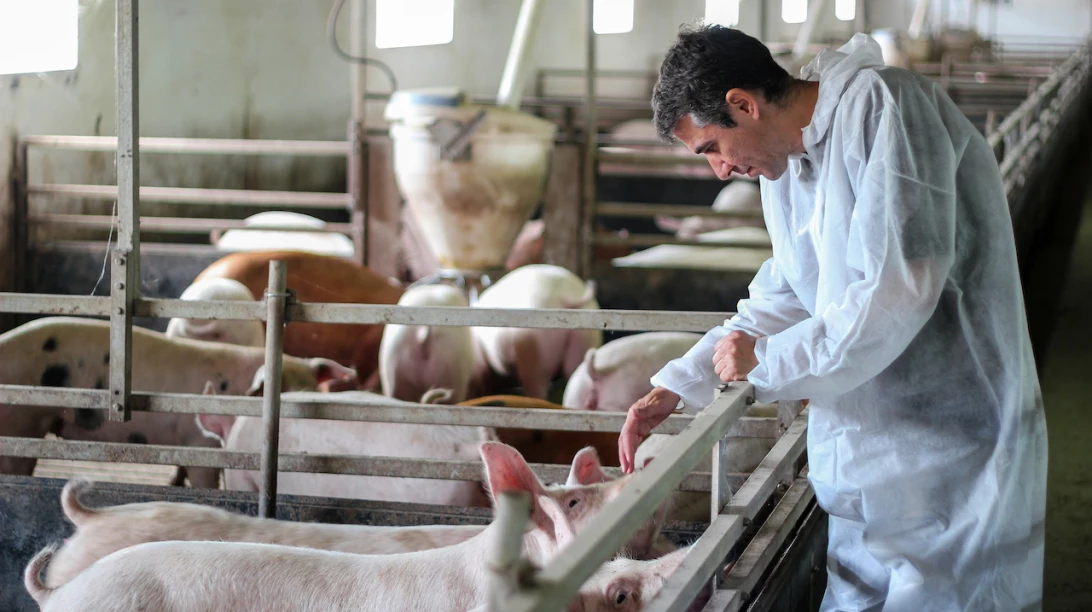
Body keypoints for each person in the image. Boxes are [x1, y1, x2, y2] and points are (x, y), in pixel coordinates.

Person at [618, 26, 1047, 611]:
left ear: (743, 104)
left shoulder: (884, 108)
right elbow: (789, 293)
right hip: (867, 454)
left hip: (951, 451)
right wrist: (679, 383)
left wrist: (765, 362)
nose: (719, 170)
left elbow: (901, 289)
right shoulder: (789, 169)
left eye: (712, 146)